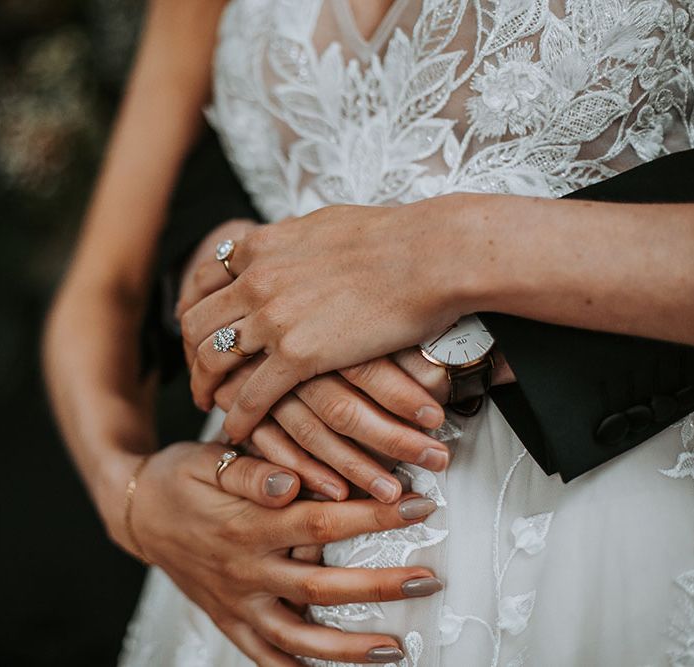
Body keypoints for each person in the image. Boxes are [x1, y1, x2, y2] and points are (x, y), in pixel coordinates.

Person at [43, 1, 694, 665]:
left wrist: (442, 250)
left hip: (603, 529)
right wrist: (128, 493)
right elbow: (102, 288)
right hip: (252, 577)